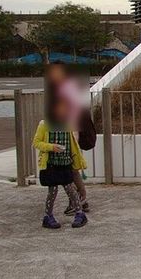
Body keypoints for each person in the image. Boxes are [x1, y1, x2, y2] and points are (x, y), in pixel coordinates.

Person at [33, 87, 88, 229]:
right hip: (51, 163)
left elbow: (73, 143)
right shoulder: (44, 125)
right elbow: (36, 143)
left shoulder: (68, 124)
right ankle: (48, 216)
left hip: (65, 162)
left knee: (70, 188)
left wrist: (76, 159)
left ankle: (79, 214)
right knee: (53, 190)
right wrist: (51, 147)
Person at [45, 62, 90, 214]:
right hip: (67, 132)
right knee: (71, 169)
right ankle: (80, 200)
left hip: (70, 133)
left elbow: (73, 112)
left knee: (70, 170)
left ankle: (80, 199)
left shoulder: (66, 88)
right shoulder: (65, 87)